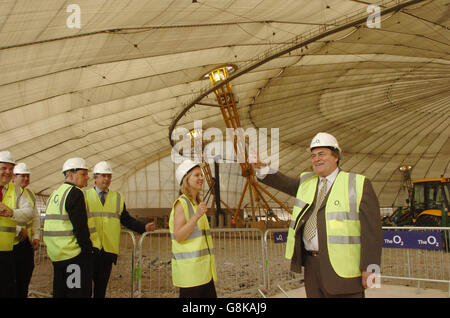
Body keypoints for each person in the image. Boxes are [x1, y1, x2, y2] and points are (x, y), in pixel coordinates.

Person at [252, 132, 382, 298]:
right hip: (312, 265)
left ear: (336, 156)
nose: (316, 159)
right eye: (313, 155)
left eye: (322, 154)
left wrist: (371, 269)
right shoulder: (307, 182)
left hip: (345, 270)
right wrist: (260, 167)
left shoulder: (358, 183)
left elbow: (372, 231)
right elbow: (283, 182)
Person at [86, 161, 155, 298]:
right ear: (95, 178)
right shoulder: (84, 196)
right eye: (103, 175)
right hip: (89, 249)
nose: (107, 179)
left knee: (101, 288)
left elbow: (126, 219)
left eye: (109, 176)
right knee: (85, 288)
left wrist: (143, 227)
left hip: (107, 251)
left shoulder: (117, 197)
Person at [43, 157, 99, 298]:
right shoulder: (75, 193)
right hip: (73, 256)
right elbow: (80, 228)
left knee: (61, 292)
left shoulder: (54, 194)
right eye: (83, 174)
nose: (87, 178)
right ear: (71, 174)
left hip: (57, 255)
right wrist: (87, 251)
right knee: (76, 293)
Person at [169, 159, 217, 298]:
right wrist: (196, 216)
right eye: (196, 175)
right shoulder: (181, 204)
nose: (201, 178)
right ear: (186, 179)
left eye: (201, 175)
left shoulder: (196, 203)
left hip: (204, 271)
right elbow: (179, 236)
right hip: (191, 274)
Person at [0, 151, 34, 298]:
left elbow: (30, 212)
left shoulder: (16, 190)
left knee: (6, 288)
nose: (7, 172)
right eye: (3, 168)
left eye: (10, 168)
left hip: (6, 251)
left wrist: (12, 212)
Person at [12, 162, 41, 298]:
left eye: (27, 176)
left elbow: (35, 218)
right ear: (14, 177)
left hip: (26, 243)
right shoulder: (7, 193)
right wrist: (18, 229)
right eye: (22, 176)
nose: (25, 179)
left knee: (25, 274)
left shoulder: (30, 194)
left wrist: (36, 236)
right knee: (11, 279)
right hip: (10, 243)